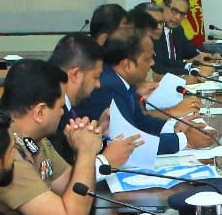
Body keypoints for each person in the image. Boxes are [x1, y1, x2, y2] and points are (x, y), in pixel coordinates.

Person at [0, 60, 102, 215]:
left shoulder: (36, 140)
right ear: (40, 113)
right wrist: (87, 152)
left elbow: (72, 189)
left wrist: (79, 151)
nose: (63, 113)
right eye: (61, 107)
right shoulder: (8, 154)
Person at [78, 37, 211, 157]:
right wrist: (182, 140)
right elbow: (129, 142)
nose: (152, 63)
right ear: (127, 65)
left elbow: (140, 121)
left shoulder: (121, 81)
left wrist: (175, 127)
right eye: (148, 58)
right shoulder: (107, 88)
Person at [45, 33, 141, 168]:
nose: (98, 85)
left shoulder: (69, 106)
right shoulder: (49, 111)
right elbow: (58, 175)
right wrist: (104, 161)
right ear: (75, 74)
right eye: (96, 77)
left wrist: (96, 135)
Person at [152, 0, 217, 75]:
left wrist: (212, 54)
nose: (178, 17)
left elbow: (191, 50)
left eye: (182, 14)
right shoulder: (152, 31)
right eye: (174, 11)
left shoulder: (177, 30)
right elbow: (159, 67)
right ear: (162, 6)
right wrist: (189, 67)